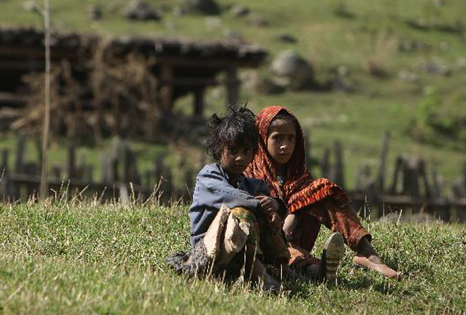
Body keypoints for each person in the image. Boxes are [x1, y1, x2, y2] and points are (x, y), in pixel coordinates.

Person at [245, 105, 400, 280]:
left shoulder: (297, 172)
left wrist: (294, 212)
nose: (285, 146)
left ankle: (368, 255)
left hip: (295, 236)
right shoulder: (250, 174)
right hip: (268, 243)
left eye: (290, 138)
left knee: (323, 190)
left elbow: (305, 198)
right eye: (277, 138)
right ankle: (319, 271)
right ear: (262, 138)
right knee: (288, 256)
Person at [165, 106, 292, 292]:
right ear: (218, 149)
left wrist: (274, 207)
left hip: (245, 251)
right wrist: (259, 205)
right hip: (213, 251)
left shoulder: (253, 185)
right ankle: (257, 275)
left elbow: (271, 205)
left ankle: (284, 269)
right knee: (240, 212)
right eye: (232, 150)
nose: (240, 157)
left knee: (267, 216)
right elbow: (229, 196)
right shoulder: (209, 176)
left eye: (247, 151)